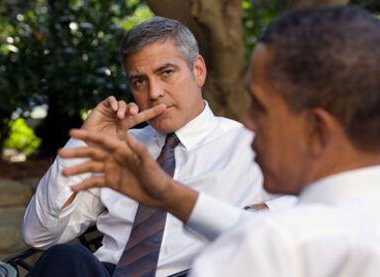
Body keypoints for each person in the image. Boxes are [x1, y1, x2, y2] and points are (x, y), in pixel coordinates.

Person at [59, 6, 380, 277]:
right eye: (140, 80)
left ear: (317, 128)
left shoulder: (267, 249)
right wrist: (171, 196)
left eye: (260, 107)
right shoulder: (339, 223)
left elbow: (268, 239)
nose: (248, 122)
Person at [22, 16, 293, 277]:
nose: (153, 93)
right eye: (140, 81)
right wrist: (84, 139)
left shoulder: (250, 145)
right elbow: (38, 235)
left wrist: (257, 215)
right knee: (65, 258)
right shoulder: (120, 147)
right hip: (109, 271)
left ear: (197, 71)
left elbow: (319, 216)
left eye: (166, 73)